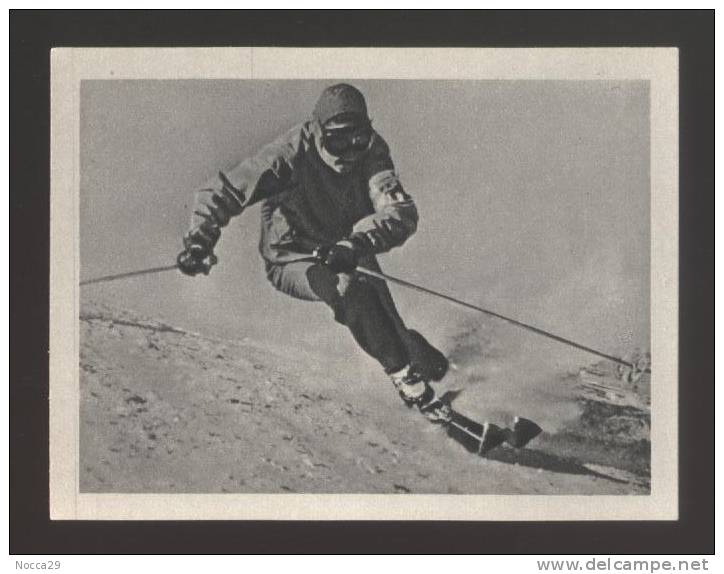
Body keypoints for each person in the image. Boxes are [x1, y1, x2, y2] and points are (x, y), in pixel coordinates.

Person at [177, 83, 451, 423]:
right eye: (338, 141)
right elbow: (226, 189)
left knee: (388, 325)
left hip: (346, 249)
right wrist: (199, 240)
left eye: (358, 139)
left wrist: (356, 244)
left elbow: (399, 211)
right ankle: (413, 389)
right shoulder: (290, 155)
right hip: (293, 257)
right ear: (319, 133)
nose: (349, 153)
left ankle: (431, 366)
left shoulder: (372, 154)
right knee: (349, 292)